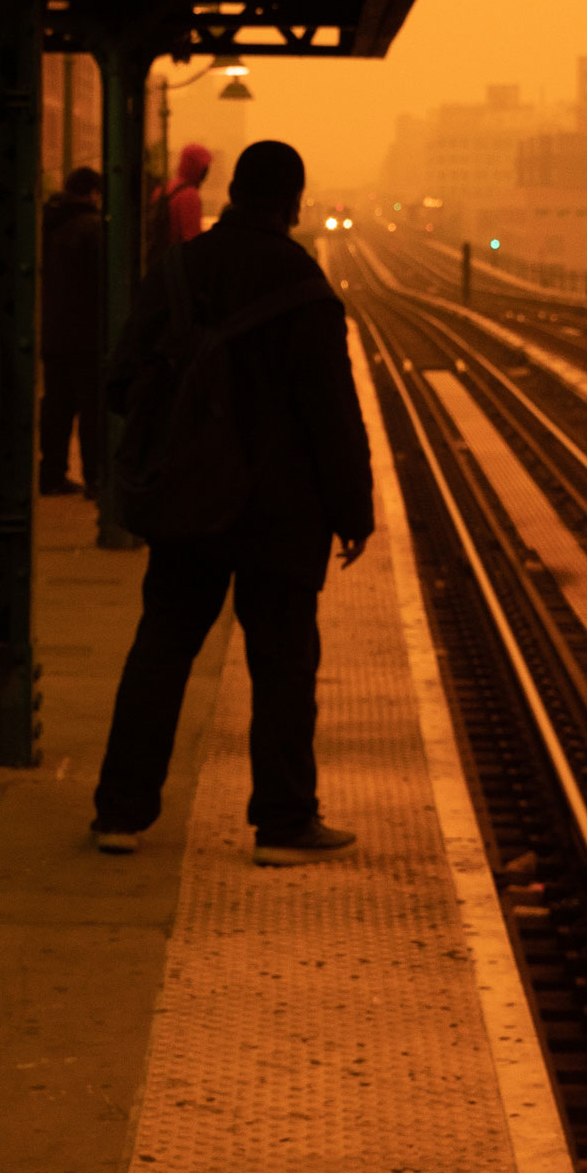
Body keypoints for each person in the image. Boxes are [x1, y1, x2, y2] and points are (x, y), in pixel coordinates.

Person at [90, 139, 375, 866]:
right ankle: (282, 823)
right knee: (282, 664)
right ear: (293, 203)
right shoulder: (304, 285)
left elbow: (120, 379)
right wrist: (353, 509)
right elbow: (331, 411)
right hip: (282, 512)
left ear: (231, 193)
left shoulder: (180, 271)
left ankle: (120, 815)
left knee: (161, 651)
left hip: (190, 503)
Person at [39, 166, 106, 497]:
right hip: (88, 333)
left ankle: (51, 474)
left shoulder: (46, 223)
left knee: (57, 406)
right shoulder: (94, 229)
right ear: (93, 193)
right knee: (92, 409)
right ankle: (96, 478)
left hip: (53, 329)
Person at [148, 141, 214, 265]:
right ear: (197, 168)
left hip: (158, 259)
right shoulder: (189, 195)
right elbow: (192, 239)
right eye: (204, 167)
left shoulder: (164, 188)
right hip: (176, 263)